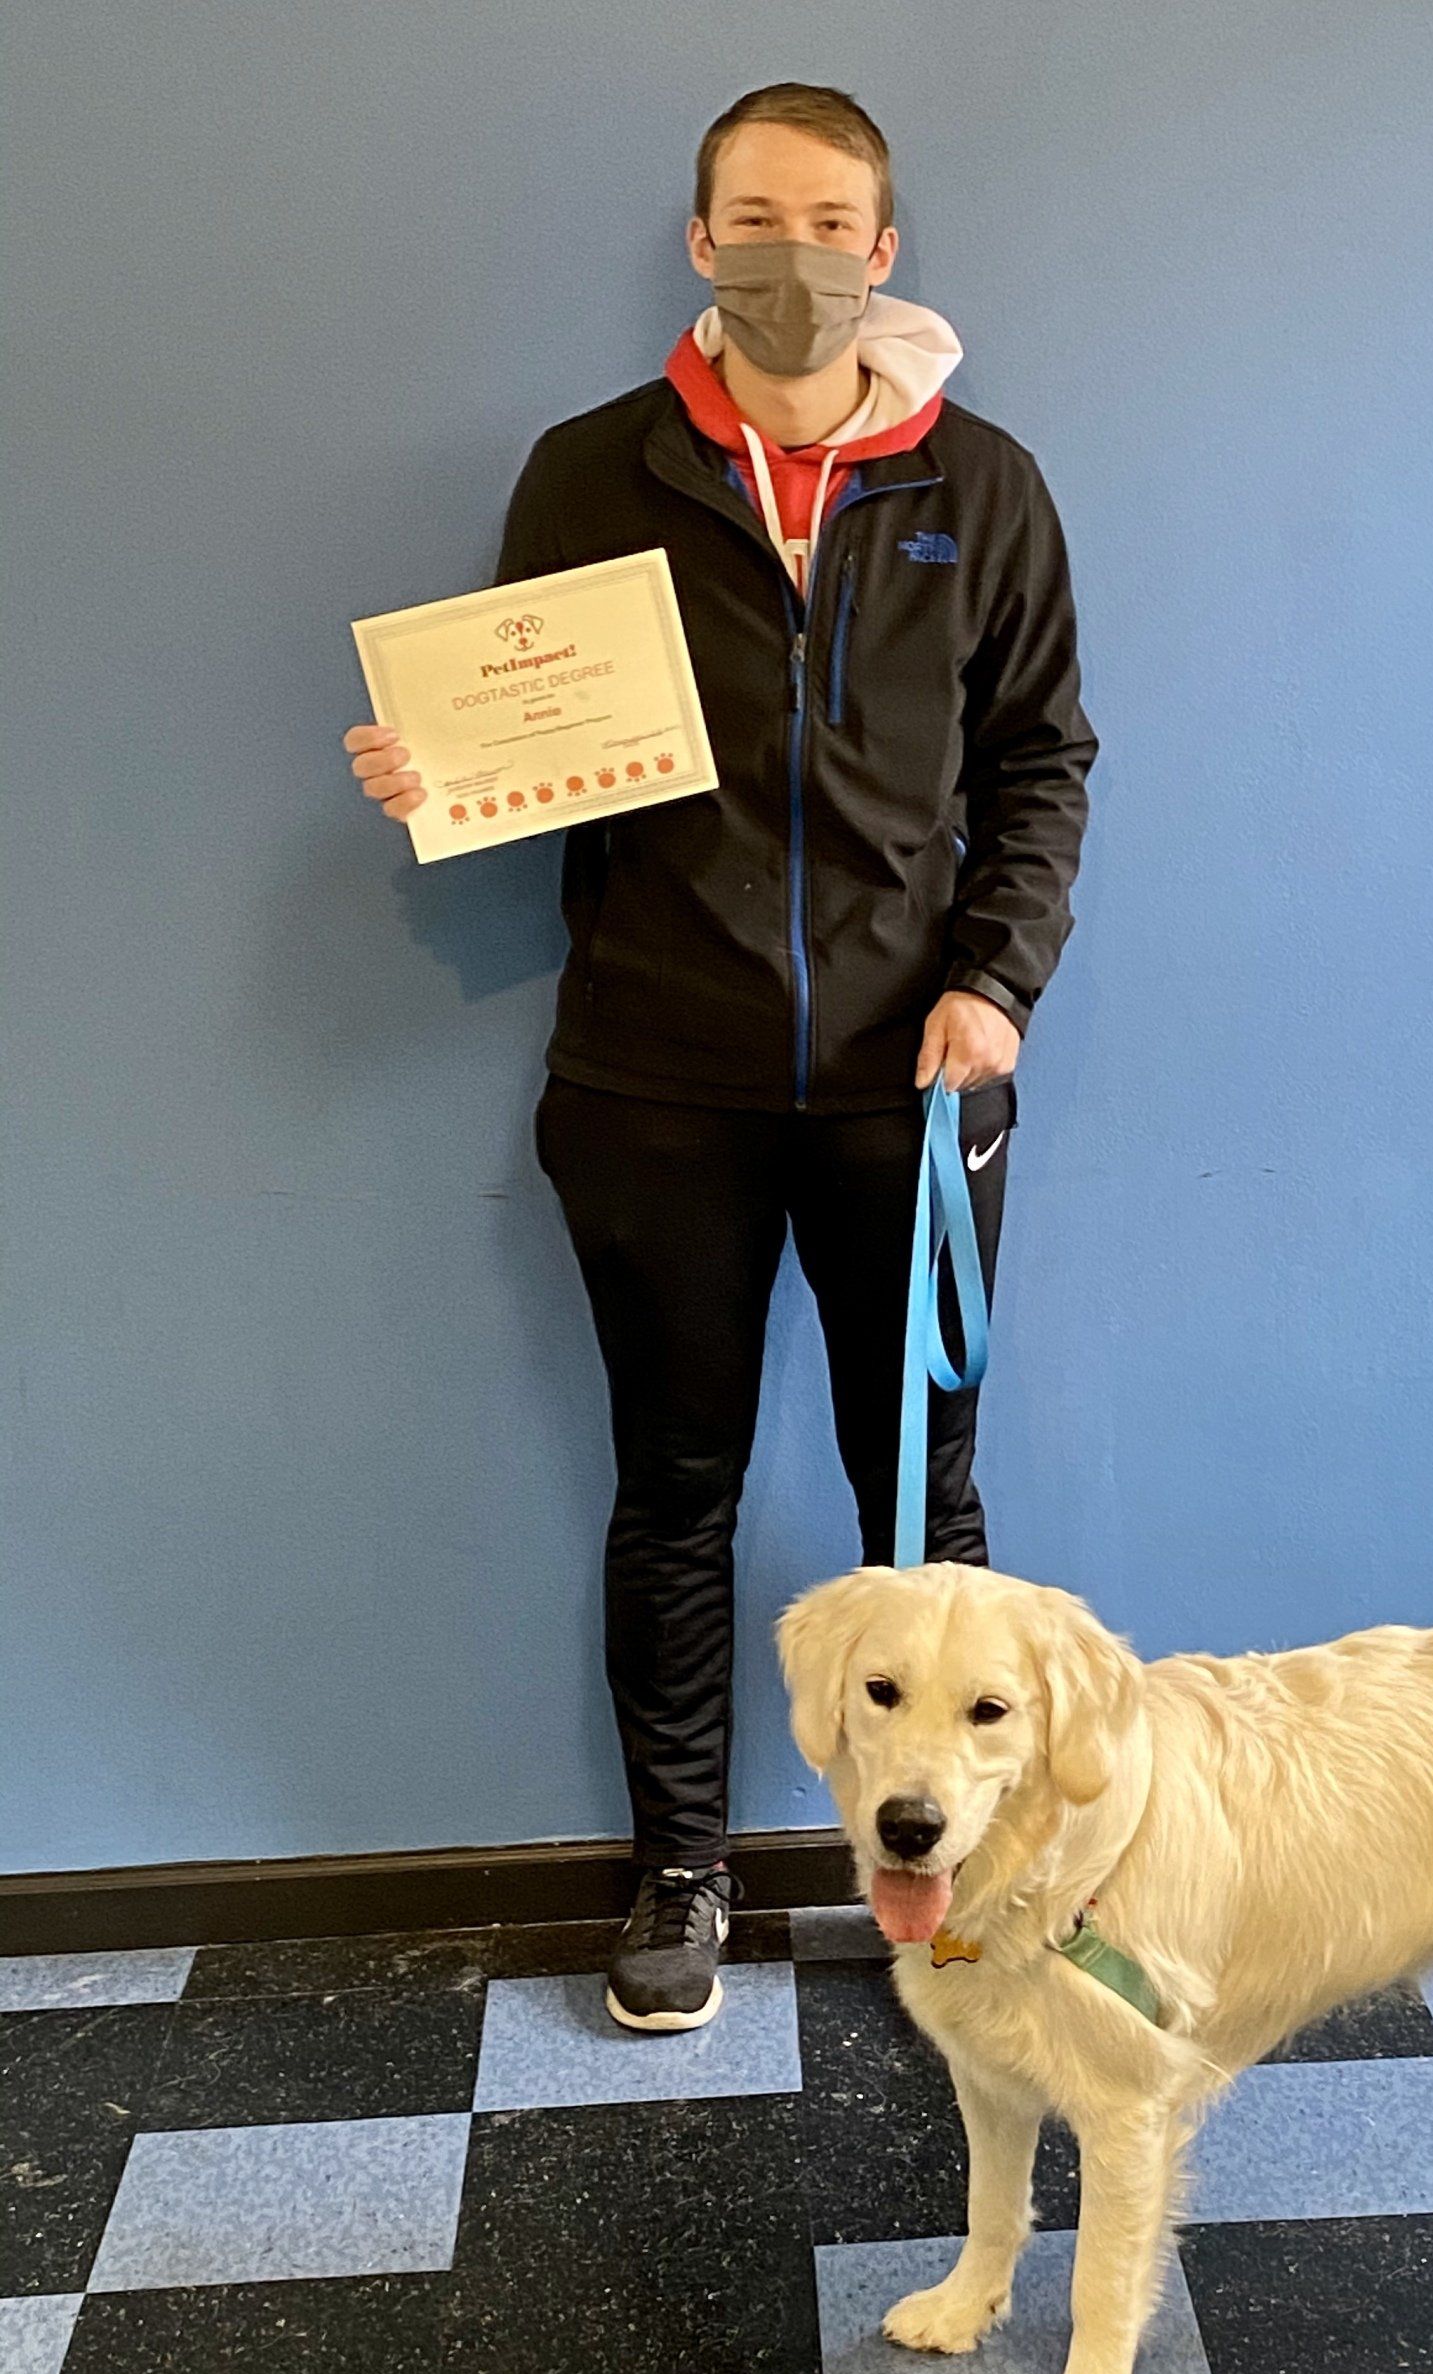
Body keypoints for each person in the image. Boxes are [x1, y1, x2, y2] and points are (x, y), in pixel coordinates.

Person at [341, 83, 1096, 2032]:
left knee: (922, 1501)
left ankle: (975, 1887)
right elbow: (532, 744)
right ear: (699, 245)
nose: (791, 252)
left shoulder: (982, 487)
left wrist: (997, 982)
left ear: (883, 245)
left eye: (829, 218)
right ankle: (681, 1866)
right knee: (673, 1486)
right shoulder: (597, 472)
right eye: (753, 218)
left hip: (911, 1081)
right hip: (653, 1082)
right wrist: (448, 780)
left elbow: (1040, 765)